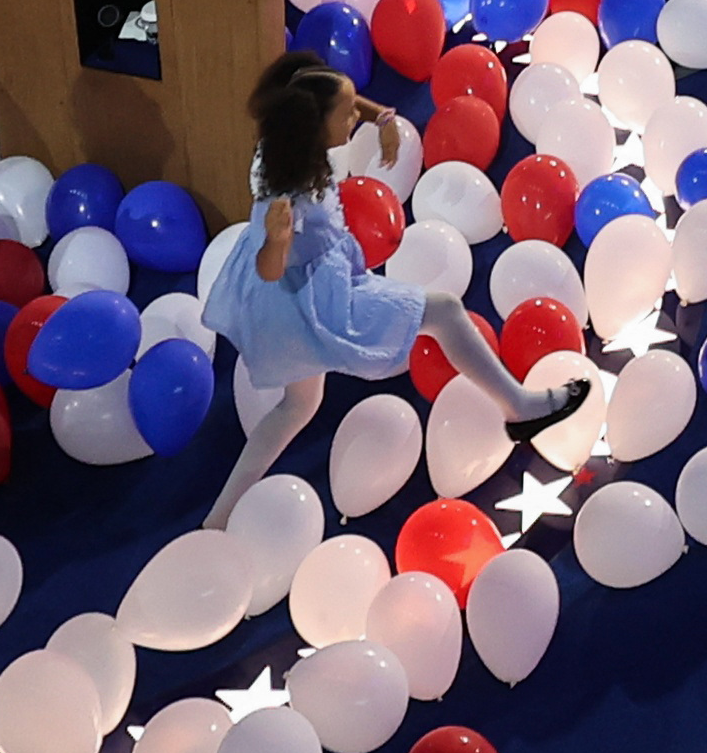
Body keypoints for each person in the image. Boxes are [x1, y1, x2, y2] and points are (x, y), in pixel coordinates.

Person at [198, 52, 590, 531]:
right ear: (313, 125)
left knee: (297, 405)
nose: (352, 120)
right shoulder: (286, 194)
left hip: (303, 293)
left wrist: (379, 116)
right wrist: (279, 241)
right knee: (443, 310)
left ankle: (217, 519)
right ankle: (521, 409)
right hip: (308, 301)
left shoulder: (289, 138)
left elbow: (335, 98)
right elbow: (268, 269)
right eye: (345, 116)